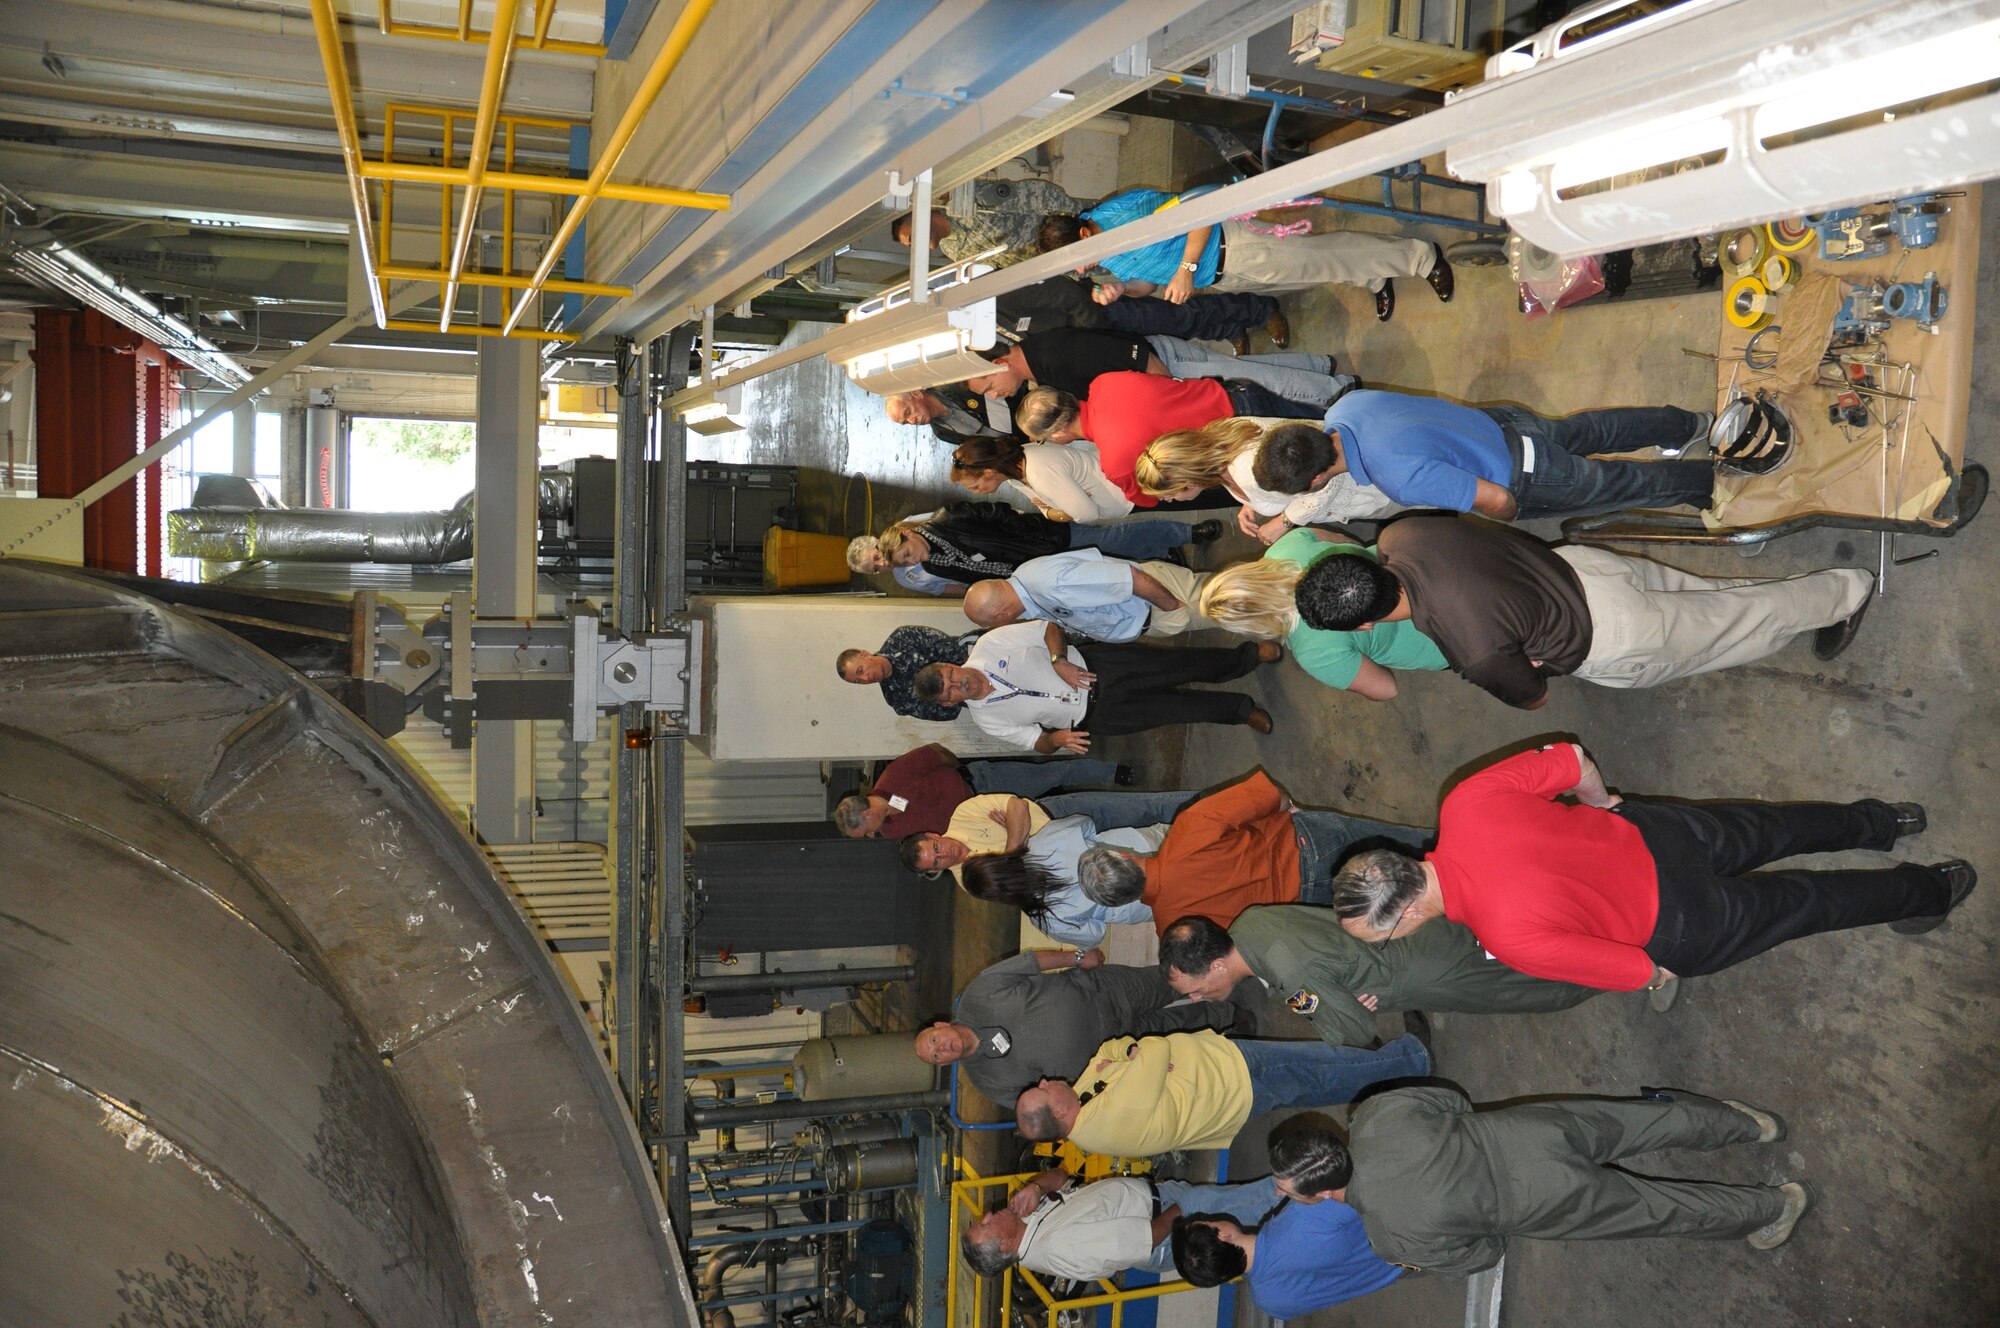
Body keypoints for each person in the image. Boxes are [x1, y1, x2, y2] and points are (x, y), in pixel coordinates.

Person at [1331, 742, 1975, 1002]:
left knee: (1807, 903)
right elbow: (1573, 760)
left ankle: (1933, 887)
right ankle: (1887, 821)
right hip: (1663, 834)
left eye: (1387, 936)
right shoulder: (1463, 803)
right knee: (1781, 826)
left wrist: (1660, 961)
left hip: (1686, 923)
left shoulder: (1505, 939)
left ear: (1409, 914)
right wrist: (1601, 804)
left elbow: (1641, 971)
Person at [1295, 514, 1878, 707]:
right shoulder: (1403, 533)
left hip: (1613, 635)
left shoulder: (1465, 647)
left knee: (1737, 621)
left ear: (1365, 626)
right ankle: (1806, 610)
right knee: (1705, 602)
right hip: (1584, 570)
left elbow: (1534, 694)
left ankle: (1847, 591)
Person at [1341, 1087, 1813, 1274]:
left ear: (1320, 1192)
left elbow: (1484, 1254)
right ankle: (1750, 1125)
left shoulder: (1390, 1240)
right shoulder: (1372, 1117)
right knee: (1637, 1123)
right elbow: (1451, 1101)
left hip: (1541, 1200)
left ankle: (1775, 1207)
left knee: (1657, 1208)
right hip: (1530, 1130)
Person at [1250, 391, 1716, 523]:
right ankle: (1689, 423)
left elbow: (1493, 499)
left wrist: (1520, 512)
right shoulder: (1343, 407)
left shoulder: (1397, 478)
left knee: (1617, 485)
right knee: (1594, 428)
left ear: (1314, 483)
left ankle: (1707, 483)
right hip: (1506, 424)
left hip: (1528, 473)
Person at [1157, 910, 1599, 1049]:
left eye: (1194, 988)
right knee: (1524, 936)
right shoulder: (1250, 924)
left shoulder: (1290, 976)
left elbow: (1353, 1029)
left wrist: (1337, 1011)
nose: (1200, 997)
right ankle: (1605, 929)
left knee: (1534, 986)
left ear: (1215, 966)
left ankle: (1636, 969)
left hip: (1427, 972)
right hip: (1417, 932)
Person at [1074, 769, 1428, 934]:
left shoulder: (1174, 931)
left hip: (1308, 907)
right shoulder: (1186, 830)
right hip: (1309, 844)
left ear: (1122, 902)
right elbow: (1273, 795)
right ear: (1124, 856)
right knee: (1409, 846)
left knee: (1404, 904)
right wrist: (1292, 810)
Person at [1040, 187, 1452, 323]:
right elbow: (1150, 283)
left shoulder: (1121, 215)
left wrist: (1185, 269)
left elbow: (1199, 203)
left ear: (1082, 232)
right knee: (1312, 272)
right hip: (1221, 277)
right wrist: (1124, 291)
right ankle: (1373, 276)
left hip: (1232, 246)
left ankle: (1420, 257)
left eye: (1076, 258)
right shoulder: (1103, 260)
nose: (1081, 269)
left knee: (1325, 253)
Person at [1012, 1027, 1429, 1157]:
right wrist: (1138, 1055)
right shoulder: (1104, 1119)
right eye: (1042, 1090)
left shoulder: (1082, 1104)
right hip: (1230, 1080)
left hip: (1220, 1079)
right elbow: (1153, 1049)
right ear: (1059, 1114)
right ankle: (1410, 1062)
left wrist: (1131, 1055)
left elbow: (1111, 1048)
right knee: (1315, 1067)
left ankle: (1377, 1067)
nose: (1045, 1081)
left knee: (1316, 1075)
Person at [914, 946, 1235, 1108]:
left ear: (940, 1025)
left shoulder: (980, 993)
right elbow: (1046, 1106)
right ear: (945, 1064)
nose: (942, 1048)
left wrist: (1078, 957)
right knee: (1177, 1033)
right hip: (1117, 1055)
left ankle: (1229, 969)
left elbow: (1030, 962)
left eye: (934, 1040)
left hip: (1105, 992)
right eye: (936, 1055)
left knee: (1171, 980)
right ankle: (1230, 1015)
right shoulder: (989, 1083)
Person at [913, 619, 1279, 752]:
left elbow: (1047, 629)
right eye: (951, 692)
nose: (959, 684)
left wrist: (1060, 662)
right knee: (1177, 710)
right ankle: (1241, 711)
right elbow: (1035, 743)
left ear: (950, 664)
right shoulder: (986, 721)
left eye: (951, 676)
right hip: (1098, 716)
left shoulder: (989, 646)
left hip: (1099, 667)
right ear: (949, 704)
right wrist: (1054, 740)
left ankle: (1246, 658)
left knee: (1181, 666)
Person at [1172, 1127, 1401, 1315]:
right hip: (1408, 1228)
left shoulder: (1269, 1303)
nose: (1213, 1218)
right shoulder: (1302, 1216)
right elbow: (1361, 1185)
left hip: (1399, 1269)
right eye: (1208, 1222)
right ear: (1222, 1235)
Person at [1196, 532, 1446, 700]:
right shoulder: (1286, 546)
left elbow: (1386, 689)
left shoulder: (1314, 654)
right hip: (1422, 566)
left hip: (1438, 639)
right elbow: (1340, 538)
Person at [1016, 376, 1319, 508]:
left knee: (1323, 469)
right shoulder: (1104, 382)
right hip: (1240, 396)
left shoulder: (1115, 464)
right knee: (1328, 426)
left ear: (1056, 435)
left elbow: (1154, 496)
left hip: (1242, 454)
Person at [963, 1169, 1280, 1282]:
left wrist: (1036, 1189)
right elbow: (1141, 1241)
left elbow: (1062, 1176)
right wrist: (1184, 1208)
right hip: (1166, 1228)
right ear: (1003, 1246)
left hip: (1161, 1202)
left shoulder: (1027, 1224)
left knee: (1250, 1211)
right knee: (1256, 1202)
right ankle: (1310, 1186)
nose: (988, 1215)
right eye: (986, 1225)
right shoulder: (1056, 1248)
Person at [966, 327, 1352, 412]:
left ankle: (1338, 391)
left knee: (1253, 383)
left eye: (987, 387)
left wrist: (1169, 387)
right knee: (1244, 369)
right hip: (1165, 363)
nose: (994, 395)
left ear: (998, 363)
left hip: (1165, 364)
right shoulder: (1039, 364)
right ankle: (1320, 367)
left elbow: (1127, 353)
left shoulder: (1049, 356)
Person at [845, 501, 1197, 595]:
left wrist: (1034, 529)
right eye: (877, 569)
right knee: (1105, 564)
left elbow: (998, 515)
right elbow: (966, 581)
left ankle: (1185, 532)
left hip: (1040, 539)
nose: (912, 562)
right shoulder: (929, 570)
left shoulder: (944, 518)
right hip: (1031, 570)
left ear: (904, 535)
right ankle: (1163, 562)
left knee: (1110, 539)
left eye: (905, 555)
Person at [831, 742, 1123, 841]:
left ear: (867, 813)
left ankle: (1111, 773)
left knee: (1051, 775)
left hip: (982, 784)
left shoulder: (895, 774)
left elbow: (937, 753)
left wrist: (964, 771)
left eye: (866, 830)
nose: (872, 835)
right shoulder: (892, 832)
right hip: (984, 821)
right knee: (1051, 815)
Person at [1133, 418, 1391, 530]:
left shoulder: (1247, 471)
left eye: (1168, 494)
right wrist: (1249, 503)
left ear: (1187, 480)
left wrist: (1284, 522)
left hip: (1371, 485)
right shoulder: (1222, 438)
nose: (1167, 501)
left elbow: (1324, 476)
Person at [963, 548, 1214, 642]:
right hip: (1150, 610)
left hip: (1161, 602)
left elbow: (1131, 579)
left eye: (993, 623)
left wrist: (1173, 607)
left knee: (1243, 603)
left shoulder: (1050, 585)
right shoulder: (1025, 585)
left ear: (1000, 613)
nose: (1000, 626)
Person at [991, 271, 1291, 349]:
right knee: (1176, 329)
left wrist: (1095, 328)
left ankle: (1261, 310)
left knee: (1182, 315)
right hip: (1095, 330)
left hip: (1102, 314)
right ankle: (1228, 329)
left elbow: (1063, 292)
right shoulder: (987, 323)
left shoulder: (995, 295)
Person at [950, 437, 1144, 523]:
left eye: (975, 486)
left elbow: (1087, 514)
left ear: (989, 472)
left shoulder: (1038, 472)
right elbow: (1045, 511)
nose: (976, 492)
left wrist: (1060, 511)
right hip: (1123, 492)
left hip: (1130, 490)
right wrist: (1059, 510)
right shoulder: (1015, 474)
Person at [835, 625, 973, 720]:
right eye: (859, 681)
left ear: (865, 654)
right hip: (974, 697)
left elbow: (951, 647)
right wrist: (950, 694)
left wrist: (955, 675)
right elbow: (946, 713)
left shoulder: (902, 639)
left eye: (861, 670)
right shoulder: (896, 699)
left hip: (975, 661)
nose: (866, 678)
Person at [886, 385, 1019, 447]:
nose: (912, 421)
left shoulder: (955, 387)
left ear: (916, 394)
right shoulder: (942, 433)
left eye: (908, 413)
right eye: (906, 422)